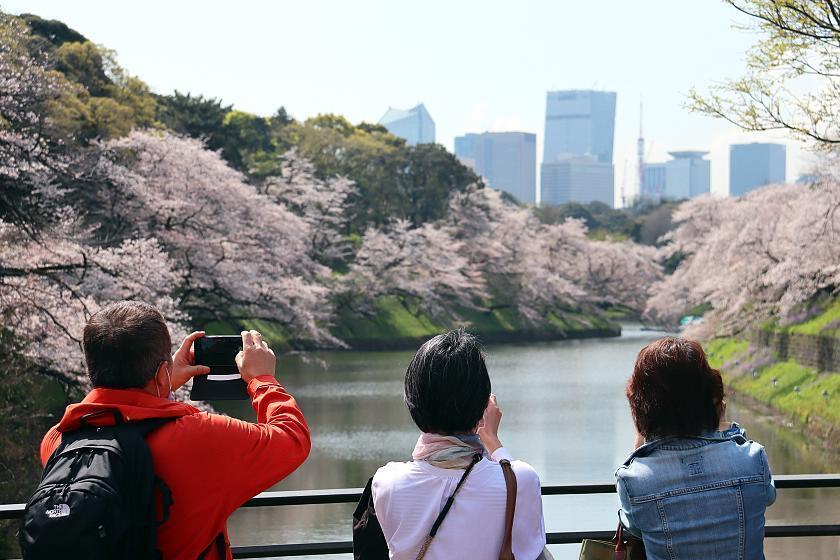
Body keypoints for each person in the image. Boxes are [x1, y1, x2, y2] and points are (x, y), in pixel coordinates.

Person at [39, 301, 311, 560]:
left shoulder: (59, 441)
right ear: (161, 373)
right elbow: (291, 437)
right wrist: (262, 379)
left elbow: (110, 410)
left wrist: (163, 387)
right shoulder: (202, 437)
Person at [371, 330, 546, 559]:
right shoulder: (521, 479)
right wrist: (492, 442)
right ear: (483, 404)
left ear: (412, 403)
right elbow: (529, 551)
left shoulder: (387, 482)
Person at [616, 337, 776, 560]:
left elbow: (635, 525)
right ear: (711, 394)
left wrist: (641, 446)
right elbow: (767, 495)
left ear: (641, 404)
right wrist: (729, 430)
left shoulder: (633, 480)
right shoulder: (751, 458)